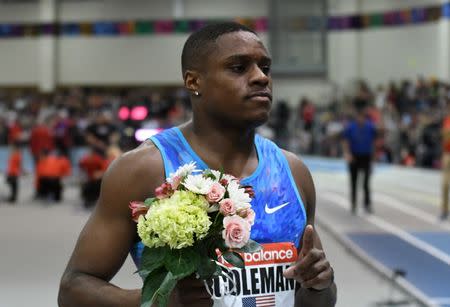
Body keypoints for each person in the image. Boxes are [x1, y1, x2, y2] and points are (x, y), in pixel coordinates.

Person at [58, 22, 336, 307]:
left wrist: (319, 285)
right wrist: (158, 302)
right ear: (194, 82)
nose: (260, 77)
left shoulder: (293, 173)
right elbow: (73, 290)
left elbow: (319, 300)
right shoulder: (143, 170)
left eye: (265, 68)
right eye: (239, 68)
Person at [342, 107, 377, 215]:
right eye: (359, 117)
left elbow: (374, 142)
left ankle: (367, 204)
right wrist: (347, 153)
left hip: (366, 157)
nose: (360, 119)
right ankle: (353, 204)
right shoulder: (351, 127)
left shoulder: (370, 127)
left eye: (362, 117)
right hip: (354, 157)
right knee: (354, 182)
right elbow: (345, 140)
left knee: (366, 182)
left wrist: (373, 158)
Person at [441, 101, 450, 220]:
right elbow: (444, 136)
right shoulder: (447, 120)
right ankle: (444, 210)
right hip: (447, 154)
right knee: (445, 184)